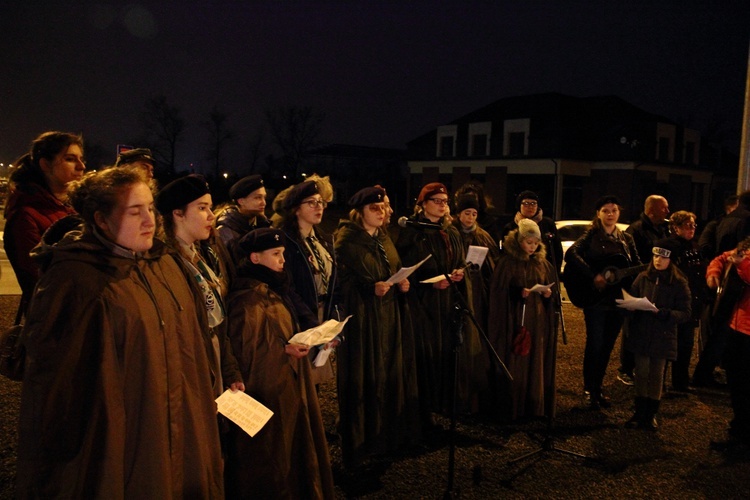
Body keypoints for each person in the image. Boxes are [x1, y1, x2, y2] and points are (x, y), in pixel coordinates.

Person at [17, 166, 225, 497]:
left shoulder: (166, 266)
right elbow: (58, 392)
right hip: (125, 446)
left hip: (181, 432)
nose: (150, 220)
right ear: (101, 220)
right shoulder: (76, 281)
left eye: (149, 208)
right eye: (134, 211)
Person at [224, 228, 335, 498]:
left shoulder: (273, 289)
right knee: (273, 456)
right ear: (254, 258)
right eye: (275, 254)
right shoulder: (247, 300)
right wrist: (283, 350)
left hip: (286, 382)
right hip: (268, 392)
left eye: (283, 253)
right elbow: (248, 354)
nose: (282, 260)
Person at [334, 186, 421, 466]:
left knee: (388, 370)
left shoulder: (384, 238)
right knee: (366, 372)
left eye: (383, 208)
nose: (382, 213)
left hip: (388, 315)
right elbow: (341, 284)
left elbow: (391, 268)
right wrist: (369, 288)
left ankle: (388, 433)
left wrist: (401, 283)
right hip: (363, 319)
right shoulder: (347, 242)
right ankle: (363, 438)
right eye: (375, 208)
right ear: (359, 213)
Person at [396, 182, 479, 424]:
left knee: (447, 355)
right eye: (437, 201)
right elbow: (405, 268)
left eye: (445, 201)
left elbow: (460, 259)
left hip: (448, 303)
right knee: (426, 357)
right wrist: (429, 284)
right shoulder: (412, 232)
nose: (443, 205)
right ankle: (423, 410)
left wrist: (459, 273)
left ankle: (444, 404)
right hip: (424, 305)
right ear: (422, 204)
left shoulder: (450, 230)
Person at [155, 174, 244, 399]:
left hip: (213, 355)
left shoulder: (199, 255)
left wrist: (230, 370)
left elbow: (218, 320)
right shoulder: (164, 263)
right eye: (202, 208)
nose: (212, 216)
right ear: (178, 213)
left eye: (211, 208)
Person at [564, 195, 640, 409]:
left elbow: (635, 265)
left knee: (607, 346)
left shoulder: (626, 239)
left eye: (614, 210)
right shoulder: (591, 236)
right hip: (595, 299)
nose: (610, 214)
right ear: (598, 214)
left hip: (617, 300)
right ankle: (589, 388)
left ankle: (598, 388)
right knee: (595, 344)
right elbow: (572, 254)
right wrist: (593, 276)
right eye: (606, 210)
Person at [3, 131, 84, 318]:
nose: (81, 166)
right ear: (46, 164)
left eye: (81, 159)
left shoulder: (74, 207)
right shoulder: (26, 214)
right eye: (70, 159)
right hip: (54, 315)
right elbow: (38, 277)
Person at [488, 219, 556, 420]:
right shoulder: (507, 263)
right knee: (516, 357)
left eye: (535, 243)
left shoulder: (542, 263)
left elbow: (549, 287)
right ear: (519, 241)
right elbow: (498, 292)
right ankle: (513, 405)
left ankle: (532, 403)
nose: (532, 247)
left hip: (537, 319)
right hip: (515, 317)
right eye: (528, 242)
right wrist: (518, 292)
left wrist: (546, 295)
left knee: (534, 358)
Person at [275, 178, 340, 385]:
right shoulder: (286, 241)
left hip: (321, 315)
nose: (318, 207)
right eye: (311, 202)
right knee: (301, 380)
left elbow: (333, 281)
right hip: (301, 319)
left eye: (321, 202)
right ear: (296, 209)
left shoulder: (321, 239)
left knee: (316, 379)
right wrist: (311, 322)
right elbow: (287, 286)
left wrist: (332, 320)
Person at [622, 239, 691, 431]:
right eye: (655, 255)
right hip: (642, 332)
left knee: (657, 374)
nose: (658, 260)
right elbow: (633, 298)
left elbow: (686, 312)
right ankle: (639, 411)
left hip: (663, 334)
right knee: (641, 373)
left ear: (671, 259)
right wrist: (630, 307)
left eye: (663, 256)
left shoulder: (678, 282)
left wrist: (666, 314)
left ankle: (651, 413)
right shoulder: (643, 277)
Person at [619, 194, 670, 385]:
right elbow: (632, 261)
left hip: (657, 284)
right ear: (651, 211)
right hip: (640, 284)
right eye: (663, 208)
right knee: (633, 327)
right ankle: (626, 368)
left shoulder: (663, 229)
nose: (667, 211)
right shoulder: (636, 230)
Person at [706, 237, 750, 450]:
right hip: (738, 325)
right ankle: (738, 429)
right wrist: (714, 273)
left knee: (745, 383)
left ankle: (742, 436)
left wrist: (741, 263)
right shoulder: (747, 247)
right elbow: (722, 258)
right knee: (736, 380)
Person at [667, 211, 711, 392]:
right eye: (688, 225)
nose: (692, 229)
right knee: (672, 344)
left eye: (694, 225)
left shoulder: (695, 246)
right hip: (674, 302)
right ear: (675, 228)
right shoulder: (668, 246)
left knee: (686, 344)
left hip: (692, 300)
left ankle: (681, 382)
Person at [453, 193, 501, 334]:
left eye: (474, 214)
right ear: (459, 213)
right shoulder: (452, 233)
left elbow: (494, 259)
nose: (471, 218)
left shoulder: (482, 236)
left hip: (478, 286)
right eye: (467, 213)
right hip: (458, 285)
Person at [501, 190, 563, 275]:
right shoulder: (511, 227)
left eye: (534, 203)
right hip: (518, 272)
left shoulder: (547, 224)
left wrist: (554, 272)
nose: (530, 207)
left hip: (543, 271)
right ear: (519, 206)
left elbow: (557, 250)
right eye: (526, 203)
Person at [215, 174, 270, 261]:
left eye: (264, 197)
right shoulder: (226, 232)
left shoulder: (264, 225)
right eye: (257, 198)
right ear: (241, 201)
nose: (264, 203)